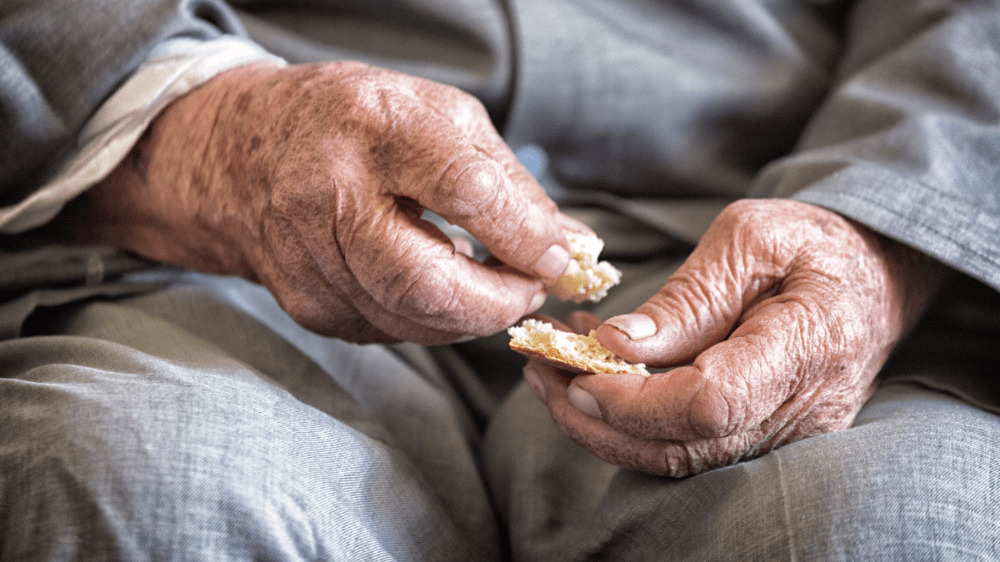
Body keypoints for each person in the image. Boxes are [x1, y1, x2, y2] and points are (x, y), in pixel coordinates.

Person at [1, 0, 998, 559]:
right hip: (209, 221)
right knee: (143, 486)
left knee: (910, 522)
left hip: (781, 211)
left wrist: (877, 233)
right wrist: (210, 137)